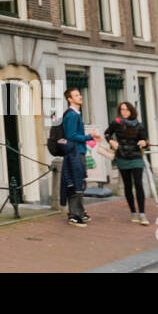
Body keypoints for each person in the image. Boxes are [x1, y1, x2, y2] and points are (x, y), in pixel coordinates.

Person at [105, 101, 150, 224]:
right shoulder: (116, 123)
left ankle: (142, 214)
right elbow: (107, 133)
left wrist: (144, 143)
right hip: (122, 156)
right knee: (128, 185)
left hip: (136, 157)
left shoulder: (139, 125)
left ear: (131, 111)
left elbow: (144, 140)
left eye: (126, 110)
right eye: (122, 110)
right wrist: (111, 141)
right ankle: (133, 212)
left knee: (138, 184)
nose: (124, 112)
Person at [59, 87, 97, 226]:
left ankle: (79, 212)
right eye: (76, 95)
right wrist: (89, 136)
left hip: (77, 152)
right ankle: (74, 215)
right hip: (74, 153)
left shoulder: (76, 113)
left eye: (79, 94)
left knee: (79, 182)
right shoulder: (72, 115)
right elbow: (71, 136)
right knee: (76, 183)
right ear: (70, 99)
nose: (80, 97)